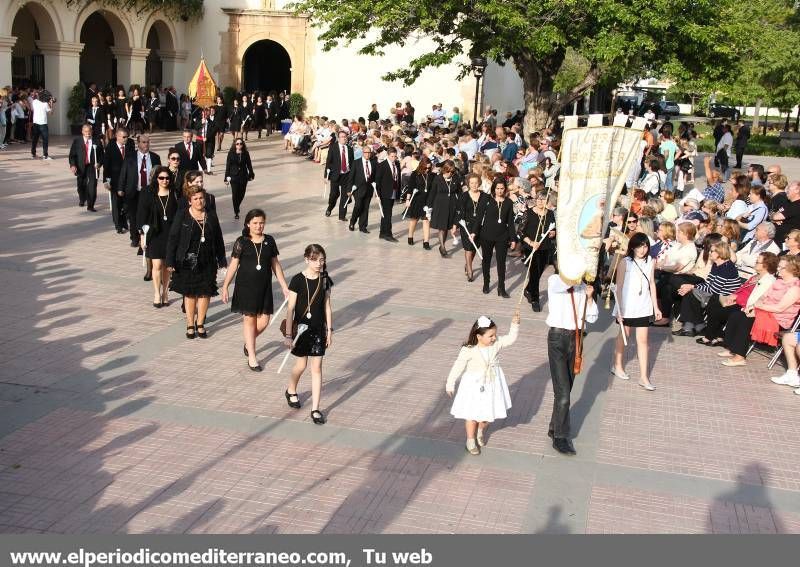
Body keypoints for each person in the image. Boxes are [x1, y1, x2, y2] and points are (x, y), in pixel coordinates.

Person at [222, 209, 290, 371]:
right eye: (255, 223)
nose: (259, 226)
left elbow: (275, 264)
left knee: (265, 320)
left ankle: (248, 341)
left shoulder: (269, 241)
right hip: (246, 287)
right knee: (249, 320)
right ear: (248, 224)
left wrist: (284, 286)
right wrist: (225, 286)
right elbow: (233, 265)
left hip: (264, 287)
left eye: (261, 223)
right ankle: (252, 357)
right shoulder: (242, 242)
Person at [446, 312, 520, 455]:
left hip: (491, 383)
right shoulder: (468, 349)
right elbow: (458, 366)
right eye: (490, 336)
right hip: (473, 385)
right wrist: (450, 382)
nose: (494, 338)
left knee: (486, 415)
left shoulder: (496, 343)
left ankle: (480, 431)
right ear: (479, 336)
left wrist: (515, 324)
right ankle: (470, 440)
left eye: (494, 335)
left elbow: (510, 339)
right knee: (472, 415)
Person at [545, 272, 598, 455]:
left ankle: (554, 426)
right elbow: (560, 286)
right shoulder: (555, 280)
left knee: (565, 389)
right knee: (563, 393)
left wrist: (590, 298)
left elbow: (592, 318)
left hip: (576, 339)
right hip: (557, 338)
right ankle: (560, 436)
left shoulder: (583, 287)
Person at [166, 185, 227, 339]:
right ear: (189, 201)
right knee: (190, 293)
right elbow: (173, 238)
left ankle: (200, 323)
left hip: (208, 260)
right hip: (187, 260)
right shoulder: (182, 215)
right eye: (196, 199)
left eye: (201, 198)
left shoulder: (211, 215)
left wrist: (222, 260)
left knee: (205, 292)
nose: (199, 201)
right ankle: (190, 324)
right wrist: (170, 261)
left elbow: (219, 238)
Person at [283, 244, 334, 425]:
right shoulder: (297, 280)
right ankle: (291, 389)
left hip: (318, 330)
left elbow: (327, 306)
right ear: (306, 259)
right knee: (301, 365)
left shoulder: (325, 280)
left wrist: (330, 330)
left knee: (317, 368)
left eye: (322, 259)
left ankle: (315, 409)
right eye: (315, 259)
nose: (319, 263)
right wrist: (289, 335)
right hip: (302, 330)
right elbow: (290, 309)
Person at [719, 255, 800, 366]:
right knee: (737, 314)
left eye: (781, 268)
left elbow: (780, 308)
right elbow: (763, 296)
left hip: (778, 320)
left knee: (745, 319)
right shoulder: (779, 282)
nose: (778, 269)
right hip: (766, 312)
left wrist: (758, 307)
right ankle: (731, 348)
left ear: (791, 269)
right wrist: (755, 306)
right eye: (779, 267)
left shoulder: (795, 288)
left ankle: (740, 357)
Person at [610, 233, 661, 391]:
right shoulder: (625, 262)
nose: (642, 249)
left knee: (643, 340)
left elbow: (652, 284)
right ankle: (617, 365)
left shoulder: (651, 262)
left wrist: (656, 307)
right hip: (627, 306)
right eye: (639, 246)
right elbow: (618, 287)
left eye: (645, 246)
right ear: (632, 246)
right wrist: (619, 309)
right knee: (623, 335)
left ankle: (644, 377)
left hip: (643, 306)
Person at [697, 252, 778, 347]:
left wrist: (736, 300)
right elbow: (741, 289)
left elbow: (754, 298)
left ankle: (712, 336)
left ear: (766, 265)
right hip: (737, 301)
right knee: (714, 300)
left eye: (757, 262)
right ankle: (717, 335)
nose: (755, 263)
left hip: (744, 305)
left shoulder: (768, 281)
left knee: (719, 311)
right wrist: (732, 296)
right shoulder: (755, 276)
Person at [673, 241, 742, 337]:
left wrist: (693, 286)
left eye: (712, 251)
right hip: (714, 294)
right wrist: (692, 287)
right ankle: (694, 327)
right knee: (689, 292)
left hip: (723, 298)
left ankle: (694, 326)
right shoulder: (716, 264)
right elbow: (708, 284)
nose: (709, 253)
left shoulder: (727, 268)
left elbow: (714, 289)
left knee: (690, 292)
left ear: (720, 252)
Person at [137, 165, 178, 307]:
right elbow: (141, 215)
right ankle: (156, 292)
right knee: (157, 264)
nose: (164, 180)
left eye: (167, 178)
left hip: (170, 233)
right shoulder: (148, 192)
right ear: (156, 179)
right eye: (161, 178)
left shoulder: (174, 193)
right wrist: (142, 236)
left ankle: (165, 292)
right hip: (154, 233)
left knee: (167, 265)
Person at [474, 177, 517, 297]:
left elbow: (510, 222)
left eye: (502, 188)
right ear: (494, 188)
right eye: (497, 188)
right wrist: (474, 232)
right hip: (486, 235)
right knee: (486, 261)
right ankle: (486, 283)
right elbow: (479, 217)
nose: (499, 191)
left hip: (502, 236)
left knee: (501, 262)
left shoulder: (508, 202)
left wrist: (513, 238)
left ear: (505, 189)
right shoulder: (486, 199)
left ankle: (501, 288)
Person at [119, 134, 162, 252]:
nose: (146, 144)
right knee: (133, 215)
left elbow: (159, 174)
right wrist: (120, 188)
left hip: (149, 192)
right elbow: (124, 173)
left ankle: (147, 236)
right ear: (138, 143)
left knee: (148, 214)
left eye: (148, 142)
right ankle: (134, 237)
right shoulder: (130, 157)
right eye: (143, 142)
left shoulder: (155, 157)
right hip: (134, 191)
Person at [519, 191, 556, 311]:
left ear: (547, 202)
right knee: (534, 273)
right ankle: (535, 299)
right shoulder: (528, 213)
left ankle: (529, 289)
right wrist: (531, 242)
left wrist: (553, 233)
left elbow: (553, 228)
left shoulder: (550, 214)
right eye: (539, 199)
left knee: (539, 272)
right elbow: (520, 232)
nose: (540, 202)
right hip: (531, 248)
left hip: (545, 247)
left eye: (543, 200)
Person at [456, 173, 491, 282]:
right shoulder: (464, 196)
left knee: (475, 246)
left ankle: (467, 264)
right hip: (466, 225)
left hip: (480, 225)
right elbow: (460, 211)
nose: (474, 185)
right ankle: (470, 271)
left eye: (476, 183)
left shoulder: (485, 196)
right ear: (468, 184)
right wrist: (456, 225)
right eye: (472, 183)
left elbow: (488, 211)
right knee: (468, 247)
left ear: (479, 183)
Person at [102, 127, 134, 234]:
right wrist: (106, 180)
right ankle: (118, 225)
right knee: (116, 203)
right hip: (115, 179)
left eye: (127, 137)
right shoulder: (110, 146)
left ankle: (124, 221)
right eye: (123, 137)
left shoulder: (130, 144)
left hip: (127, 179)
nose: (126, 139)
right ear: (117, 136)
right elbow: (106, 164)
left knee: (126, 202)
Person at [68, 123, 103, 212]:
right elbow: (72, 155)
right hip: (80, 166)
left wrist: (99, 163)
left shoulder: (97, 141)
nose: (88, 133)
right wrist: (73, 165)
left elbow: (102, 155)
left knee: (92, 186)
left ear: (92, 131)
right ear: (82, 132)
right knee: (81, 185)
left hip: (92, 166)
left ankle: (90, 205)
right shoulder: (77, 141)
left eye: (89, 131)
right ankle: (82, 199)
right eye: (86, 131)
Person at [427, 161, 460, 255]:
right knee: (441, 227)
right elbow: (432, 193)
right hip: (440, 205)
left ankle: (442, 244)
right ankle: (442, 247)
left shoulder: (455, 178)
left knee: (446, 228)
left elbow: (460, 192)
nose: (451, 173)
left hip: (451, 205)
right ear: (444, 170)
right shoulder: (438, 178)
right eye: (449, 171)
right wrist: (429, 206)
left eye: (452, 172)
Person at [404, 156, 435, 246]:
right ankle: (410, 236)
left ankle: (426, 241)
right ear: (421, 166)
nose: (427, 170)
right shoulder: (415, 174)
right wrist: (407, 200)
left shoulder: (432, 175)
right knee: (414, 219)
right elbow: (410, 188)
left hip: (427, 200)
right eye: (425, 168)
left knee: (426, 221)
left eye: (429, 168)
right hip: (417, 199)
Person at [348, 144, 378, 234]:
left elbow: (375, 176)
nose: (368, 154)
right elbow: (351, 177)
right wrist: (349, 190)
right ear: (362, 153)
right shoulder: (356, 162)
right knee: (358, 206)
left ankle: (363, 226)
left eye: (369, 153)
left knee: (365, 208)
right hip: (357, 189)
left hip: (368, 189)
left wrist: (376, 189)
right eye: (366, 153)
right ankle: (352, 222)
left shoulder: (373, 163)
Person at [325, 130, 354, 220]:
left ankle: (342, 216)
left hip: (346, 175)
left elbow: (352, 163)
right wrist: (326, 176)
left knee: (345, 196)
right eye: (342, 137)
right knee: (334, 194)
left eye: (345, 137)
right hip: (335, 175)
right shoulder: (333, 147)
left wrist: (353, 176)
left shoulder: (349, 148)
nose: (344, 138)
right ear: (338, 138)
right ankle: (330, 207)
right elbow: (328, 162)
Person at [224, 137, 255, 220]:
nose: (239, 145)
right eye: (237, 144)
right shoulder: (231, 153)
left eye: (241, 143)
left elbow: (249, 164)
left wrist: (251, 174)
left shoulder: (246, 153)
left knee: (242, 194)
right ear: (235, 144)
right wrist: (225, 178)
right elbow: (228, 166)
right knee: (235, 195)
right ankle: (236, 211)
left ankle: (237, 205)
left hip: (243, 176)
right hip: (233, 176)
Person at [375, 146, 401, 242]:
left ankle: (382, 232)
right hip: (385, 193)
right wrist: (377, 194)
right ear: (388, 155)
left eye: (395, 156)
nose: (394, 158)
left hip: (394, 191)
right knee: (388, 214)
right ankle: (388, 234)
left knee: (386, 213)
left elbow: (398, 178)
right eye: (392, 156)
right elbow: (377, 180)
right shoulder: (382, 165)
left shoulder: (397, 164)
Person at [772, 181, 800, 247]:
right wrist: (774, 217)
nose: (786, 191)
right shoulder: (788, 202)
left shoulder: (797, 205)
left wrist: (774, 217)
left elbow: (775, 217)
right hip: (776, 239)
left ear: (797, 190)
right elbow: (772, 214)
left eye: (789, 188)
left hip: (785, 243)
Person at [30, 92, 52, 160]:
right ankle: (45, 155)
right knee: (45, 140)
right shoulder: (45, 104)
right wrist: (51, 104)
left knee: (35, 139)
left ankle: (33, 154)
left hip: (35, 123)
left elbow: (32, 109)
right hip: (43, 124)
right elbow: (50, 113)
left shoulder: (34, 102)